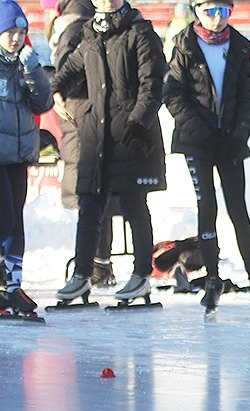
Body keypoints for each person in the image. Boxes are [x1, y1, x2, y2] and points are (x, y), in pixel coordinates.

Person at [51, 0, 167, 304]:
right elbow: (71, 69)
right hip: (96, 135)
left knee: (133, 205)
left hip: (130, 134)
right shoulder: (90, 34)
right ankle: (82, 275)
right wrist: (56, 90)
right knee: (89, 205)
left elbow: (153, 84)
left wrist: (136, 121)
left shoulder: (140, 32)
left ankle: (142, 274)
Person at [164, 0, 250, 315]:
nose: (216, 19)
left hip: (228, 142)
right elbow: (173, 94)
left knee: (238, 210)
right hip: (198, 141)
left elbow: (246, 97)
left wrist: (237, 135)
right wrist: (202, 133)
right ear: (196, 11)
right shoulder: (184, 45)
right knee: (207, 206)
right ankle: (212, 279)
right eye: (209, 11)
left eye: (223, 11)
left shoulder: (239, 47)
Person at [0, 0, 53, 313]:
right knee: (4, 221)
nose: (17, 38)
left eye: (21, 31)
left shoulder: (23, 62)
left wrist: (33, 68)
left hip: (18, 157)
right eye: (10, 32)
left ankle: (14, 286)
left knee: (16, 223)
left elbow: (42, 103)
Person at [49, 0, 119, 289]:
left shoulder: (73, 26)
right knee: (94, 193)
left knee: (96, 193)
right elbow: (70, 75)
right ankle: (94, 264)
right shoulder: (82, 28)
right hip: (84, 118)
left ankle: (96, 264)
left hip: (85, 117)